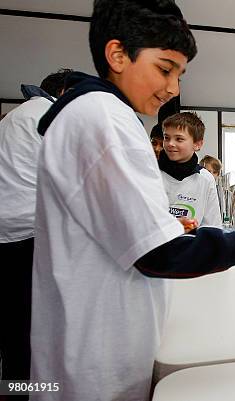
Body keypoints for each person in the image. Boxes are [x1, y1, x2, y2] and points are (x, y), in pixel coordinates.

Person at [29, 2, 235, 400]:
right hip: (93, 363)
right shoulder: (104, 119)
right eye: (164, 68)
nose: (173, 88)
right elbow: (161, 254)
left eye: (179, 74)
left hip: (96, 343)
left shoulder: (98, 117)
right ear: (117, 55)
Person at [0, 68, 72, 386]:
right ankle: (26, 389)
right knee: (31, 330)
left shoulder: (15, 116)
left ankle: (13, 387)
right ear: (65, 93)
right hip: (26, 234)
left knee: (12, 327)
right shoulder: (49, 116)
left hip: (7, 232)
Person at [159, 112, 221, 227]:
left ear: (197, 144)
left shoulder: (206, 179)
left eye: (179, 139)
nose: (170, 143)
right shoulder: (152, 174)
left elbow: (212, 227)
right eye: (166, 138)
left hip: (192, 244)